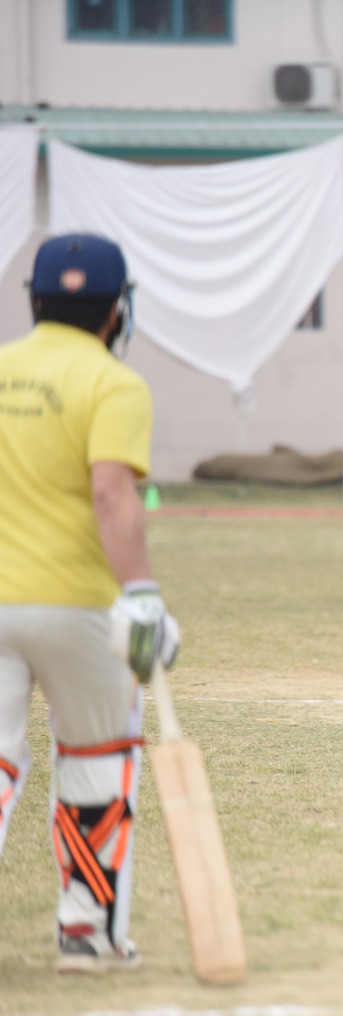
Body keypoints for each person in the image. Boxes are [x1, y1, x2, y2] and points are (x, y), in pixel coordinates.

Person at [0, 233, 180, 974]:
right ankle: (86, 929)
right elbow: (112, 494)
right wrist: (141, 594)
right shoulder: (114, 384)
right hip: (76, 606)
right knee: (96, 759)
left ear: (37, 300)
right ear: (116, 310)